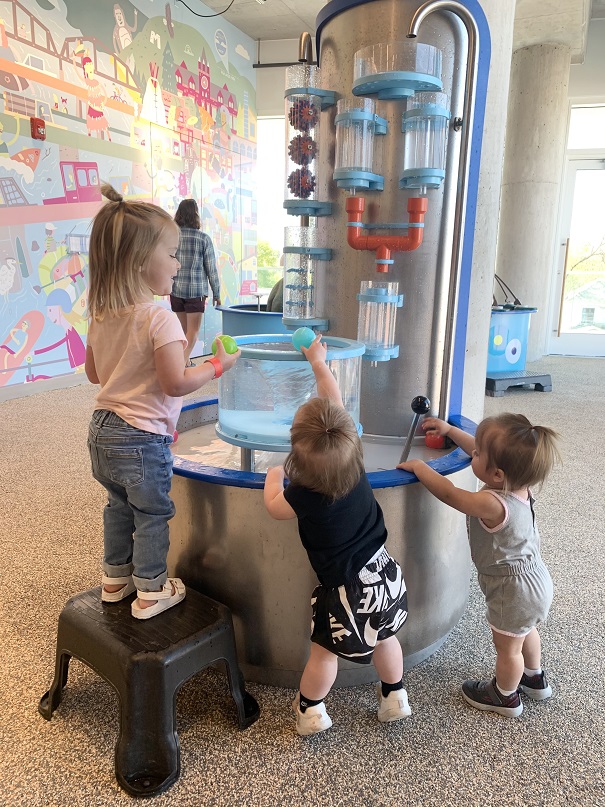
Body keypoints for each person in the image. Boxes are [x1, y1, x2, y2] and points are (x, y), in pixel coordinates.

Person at [85, 183, 239, 620]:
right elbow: (175, 383)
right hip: (139, 438)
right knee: (152, 512)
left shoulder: (100, 312)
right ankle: (151, 590)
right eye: (171, 254)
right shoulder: (159, 317)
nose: (179, 262)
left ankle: (115, 579)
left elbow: (95, 375)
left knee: (118, 506)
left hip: (101, 431)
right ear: (139, 262)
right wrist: (217, 366)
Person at [264, 335, 410, 736]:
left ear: (296, 456)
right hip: (384, 575)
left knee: (325, 654)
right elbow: (335, 401)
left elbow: (274, 508)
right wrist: (317, 361)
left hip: (345, 593)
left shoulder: (303, 493)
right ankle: (394, 694)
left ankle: (311, 709)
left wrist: (274, 477)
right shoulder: (355, 458)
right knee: (385, 639)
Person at [398, 413, 560, 718]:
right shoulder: (520, 484)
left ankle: (505, 696)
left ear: (496, 474)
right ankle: (535, 678)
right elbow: (481, 448)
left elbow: (450, 494)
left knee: (508, 648)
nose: (473, 452)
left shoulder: (492, 503)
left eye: (477, 454)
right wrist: (449, 431)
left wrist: (421, 469)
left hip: (511, 590)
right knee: (524, 631)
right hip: (536, 579)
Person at [171, 199, 221, 367]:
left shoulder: (173, 237)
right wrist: (217, 293)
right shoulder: (203, 239)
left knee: (183, 331)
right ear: (196, 215)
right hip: (195, 293)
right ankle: (181, 362)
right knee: (192, 332)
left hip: (176, 291)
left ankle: (186, 360)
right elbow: (211, 269)